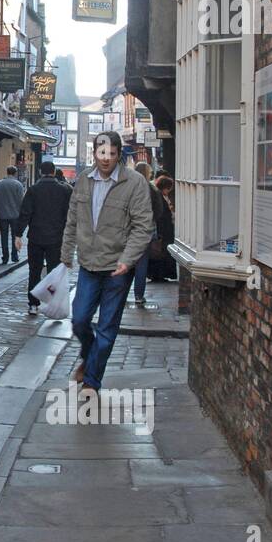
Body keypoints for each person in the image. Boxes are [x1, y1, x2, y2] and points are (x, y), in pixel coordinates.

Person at [60, 132, 155, 392]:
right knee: (79, 320)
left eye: (112, 154)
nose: (106, 159)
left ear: (119, 155)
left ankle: (92, 381)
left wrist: (128, 259)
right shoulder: (83, 180)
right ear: (94, 153)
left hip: (117, 268)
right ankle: (89, 358)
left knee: (107, 327)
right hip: (89, 264)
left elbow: (143, 226)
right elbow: (72, 220)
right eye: (102, 153)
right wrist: (66, 253)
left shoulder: (134, 183)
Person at [18, 161, 72, 316]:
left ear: (40, 172)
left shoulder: (33, 190)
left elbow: (25, 213)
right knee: (54, 271)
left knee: (34, 271)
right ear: (54, 172)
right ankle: (53, 303)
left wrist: (18, 234)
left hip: (36, 237)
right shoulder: (64, 191)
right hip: (56, 238)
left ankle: (33, 304)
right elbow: (70, 215)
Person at [130, 162, 166, 309]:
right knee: (141, 265)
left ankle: (119, 293)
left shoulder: (127, 187)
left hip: (127, 231)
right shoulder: (152, 189)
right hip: (145, 231)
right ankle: (139, 296)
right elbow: (159, 211)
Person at [0, 165, 26, 265]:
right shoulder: (18, 185)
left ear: (7, 172)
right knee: (15, 236)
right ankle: (14, 256)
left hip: (2, 214)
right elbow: (21, 201)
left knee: (4, 236)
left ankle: (5, 257)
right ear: (15, 173)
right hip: (15, 215)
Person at [150, 175, 177, 282]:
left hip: (164, 230)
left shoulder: (160, 196)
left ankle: (160, 274)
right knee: (161, 253)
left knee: (162, 253)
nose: (169, 191)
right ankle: (160, 274)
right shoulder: (160, 197)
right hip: (164, 230)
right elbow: (161, 214)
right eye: (168, 188)